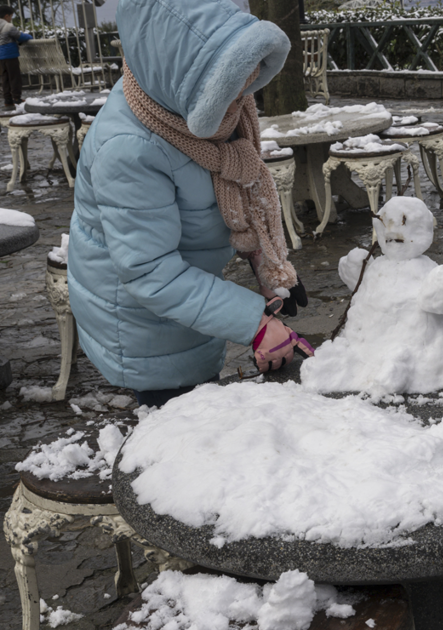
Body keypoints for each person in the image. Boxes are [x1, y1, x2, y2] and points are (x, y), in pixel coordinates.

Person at [67, 0, 310, 409]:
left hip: (185, 299)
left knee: (202, 414)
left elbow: (232, 203)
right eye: (227, 95)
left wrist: (266, 267)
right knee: (176, 428)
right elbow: (151, 273)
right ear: (186, 83)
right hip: (141, 321)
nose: (241, 106)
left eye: (246, 88)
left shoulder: (190, 112)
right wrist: (254, 323)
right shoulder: (129, 149)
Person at [0, 6, 31, 109]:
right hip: (11, 54)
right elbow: (20, 36)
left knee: (6, 77)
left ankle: (7, 99)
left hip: (1, 55)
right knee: (15, 77)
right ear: (6, 16)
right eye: (11, 16)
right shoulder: (8, 26)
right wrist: (29, 36)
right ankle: (16, 97)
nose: (11, 18)